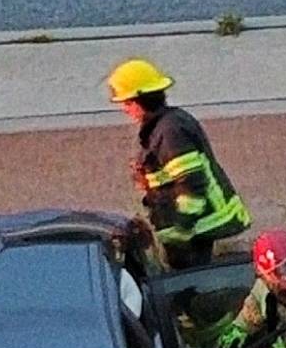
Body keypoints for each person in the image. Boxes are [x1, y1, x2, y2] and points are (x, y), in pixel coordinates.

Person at [107, 58, 250, 269]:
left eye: (126, 103)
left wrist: (181, 230)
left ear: (139, 100)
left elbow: (191, 183)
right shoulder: (163, 126)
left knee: (188, 286)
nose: (124, 109)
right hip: (186, 226)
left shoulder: (170, 131)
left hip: (193, 229)